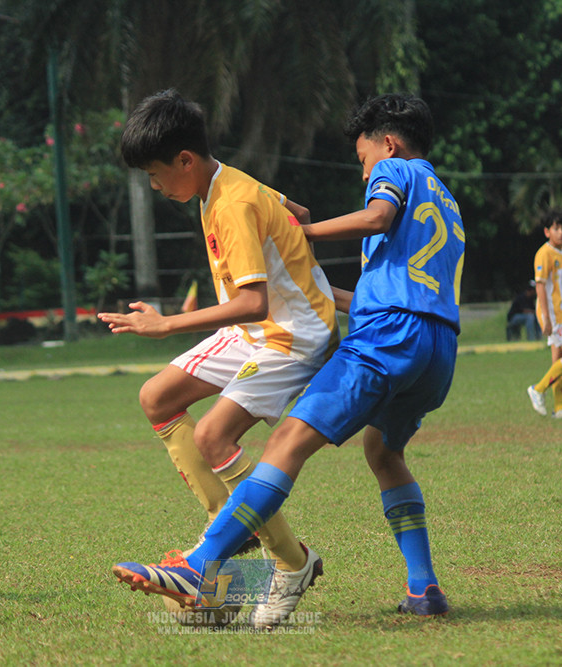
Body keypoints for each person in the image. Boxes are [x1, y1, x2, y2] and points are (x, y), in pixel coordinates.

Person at [113, 93, 465, 623]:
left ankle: (208, 562)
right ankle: (424, 587)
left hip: (380, 336)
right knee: (384, 453)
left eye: (361, 157)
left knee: (284, 442)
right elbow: (394, 288)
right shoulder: (445, 200)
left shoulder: (395, 169)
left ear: (387, 144)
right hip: (438, 345)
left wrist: (307, 230)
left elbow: (376, 217)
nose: (364, 167)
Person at [98, 89, 340, 628]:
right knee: (156, 396)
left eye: (157, 175)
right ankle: (231, 525)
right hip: (258, 327)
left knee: (212, 437)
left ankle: (284, 563)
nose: (155, 186)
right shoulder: (220, 182)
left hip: (289, 334)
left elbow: (252, 301)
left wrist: (164, 323)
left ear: (185, 160)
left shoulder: (230, 201)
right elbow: (294, 212)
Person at [526, 209, 562, 420]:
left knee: (558, 360)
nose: (561, 232)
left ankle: (559, 409)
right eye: (556, 228)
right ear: (547, 232)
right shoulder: (544, 254)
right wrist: (548, 319)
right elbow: (541, 288)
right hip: (552, 313)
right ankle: (537, 389)